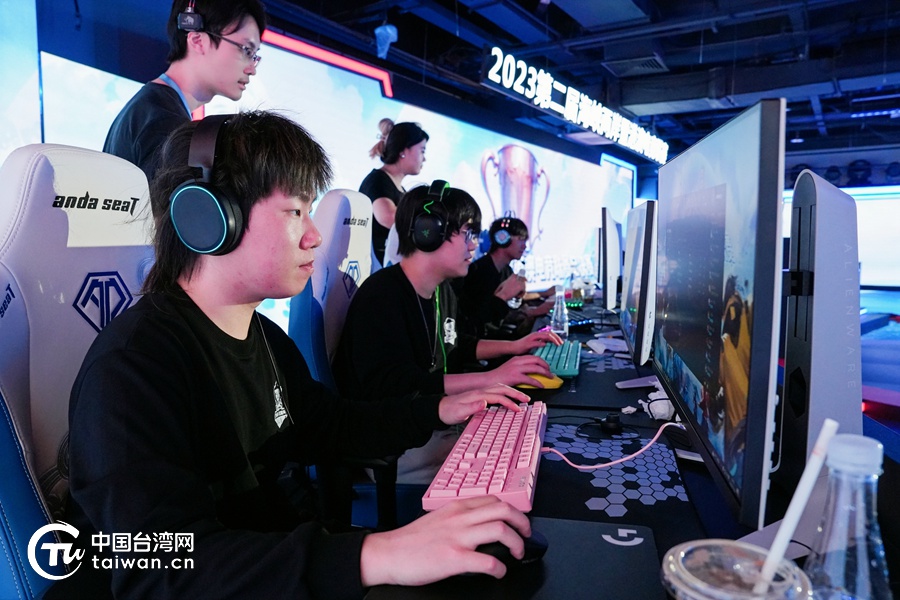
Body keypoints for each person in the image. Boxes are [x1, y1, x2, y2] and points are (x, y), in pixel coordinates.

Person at [62, 111, 535, 599]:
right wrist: (378, 554)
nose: (315, 236)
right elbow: (161, 570)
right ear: (209, 217)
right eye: (295, 212)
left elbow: (333, 426)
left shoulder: (264, 337)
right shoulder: (134, 367)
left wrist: (438, 409)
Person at [333, 183, 562, 484]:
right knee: (515, 467)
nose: (474, 245)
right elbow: (398, 385)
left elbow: (455, 344)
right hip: (396, 439)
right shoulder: (382, 296)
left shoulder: (442, 291)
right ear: (429, 232)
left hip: (431, 422)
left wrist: (514, 346)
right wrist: (491, 378)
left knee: (528, 442)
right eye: (468, 233)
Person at [103, 0, 265, 189]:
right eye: (246, 50)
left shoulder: (152, 107)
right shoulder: (165, 123)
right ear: (197, 41)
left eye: (254, 56)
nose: (252, 69)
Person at [457, 216, 554, 339]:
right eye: (521, 240)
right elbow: (482, 320)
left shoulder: (506, 271)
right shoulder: (478, 272)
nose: (524, 246)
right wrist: (533, 312)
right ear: (502, 238)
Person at [359, 119, 429, 266]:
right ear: (403, 150)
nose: (424, 159)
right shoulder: (378, 180)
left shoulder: (401, 190)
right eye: (422, 151)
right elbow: (388, 217)